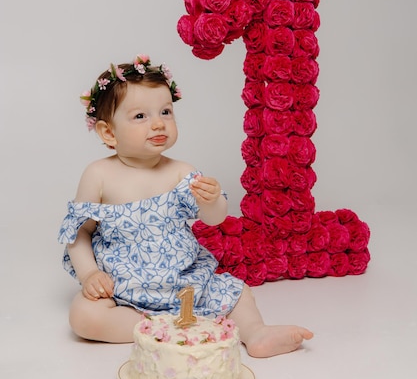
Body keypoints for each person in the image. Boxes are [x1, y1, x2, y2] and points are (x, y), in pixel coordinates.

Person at [58, 55, 313, 357]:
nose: (157, 123)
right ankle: (160, 328)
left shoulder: (181, 171)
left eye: (165, 111)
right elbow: (79, 232)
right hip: (123, 287)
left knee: (238, 294)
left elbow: (214, 219)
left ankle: (256, 334)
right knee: (83, 316)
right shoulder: (98, 175)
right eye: (140, 116)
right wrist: (89, 275)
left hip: (184, 281)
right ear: (108, 133)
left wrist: (212, 201)